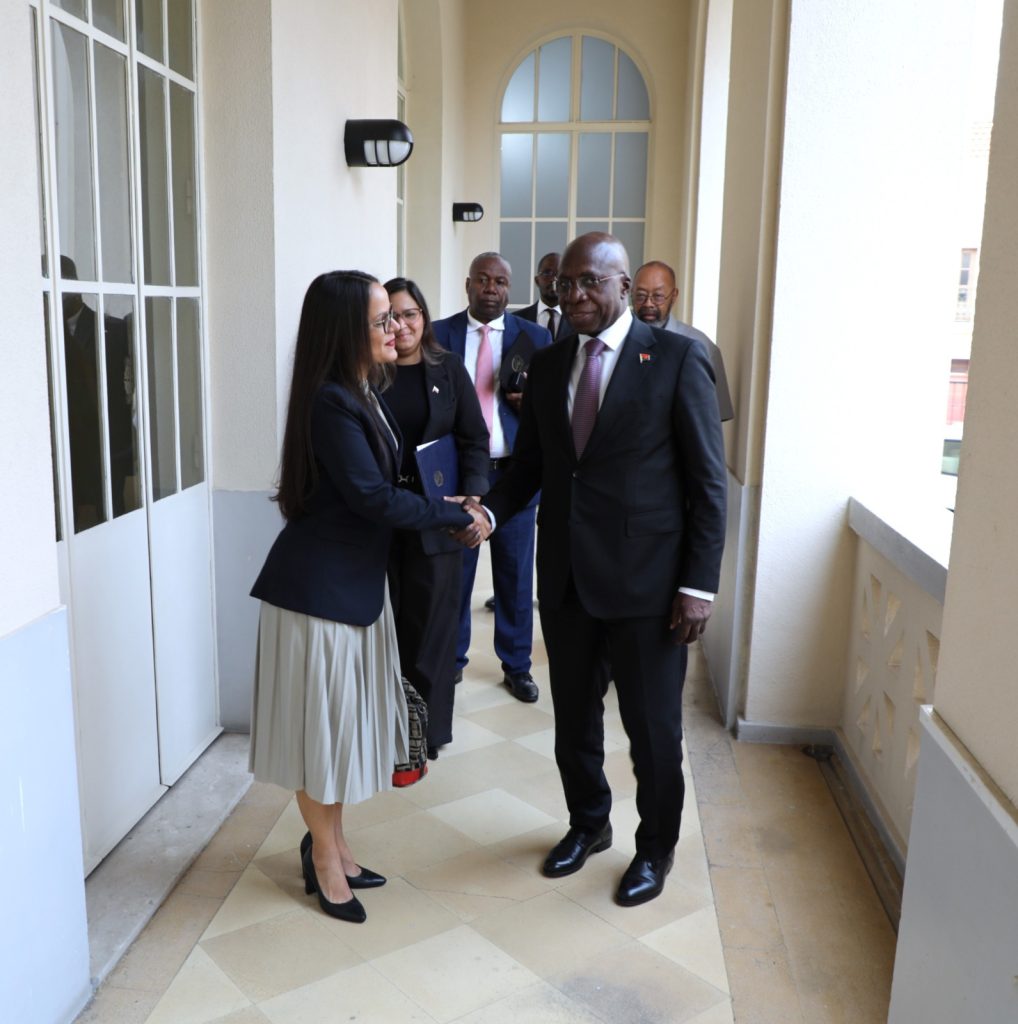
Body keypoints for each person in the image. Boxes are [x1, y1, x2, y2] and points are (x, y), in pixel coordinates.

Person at [464, 233, 727, 907]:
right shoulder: (550, 363)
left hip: (650, 589)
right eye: (566, 283)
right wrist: (489, 512)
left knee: (653, 733)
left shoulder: (676, 359)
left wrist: (698, 586)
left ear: (623, 285)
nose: (575, 294)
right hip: (568, 581)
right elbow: (532, 466)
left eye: (591, 282)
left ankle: (655, 847)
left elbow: (708, 483)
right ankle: (589, 824)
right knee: (573, 724)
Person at [248, 271, 481, 924]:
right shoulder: (332, 402)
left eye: (397, 317)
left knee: (340, 734)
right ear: (347, 329)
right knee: (319, 741)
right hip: (318, 596)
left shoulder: (361, 390)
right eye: (382, 319)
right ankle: (324, 861)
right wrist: (453, 513)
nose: (395, 328)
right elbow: (374, 498)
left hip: (353, 589)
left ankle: (336, 846)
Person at [432, 252, 552, 702]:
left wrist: (531, 403)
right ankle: (451, 661)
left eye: (500, 281)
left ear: (509, 288)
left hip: (514, 476)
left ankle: (517, 666)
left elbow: (555, 403)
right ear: (468, 285)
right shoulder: (438, 334)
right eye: (482, 279)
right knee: (455, 574)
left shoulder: (535, 337)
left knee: (516, 578)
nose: (491, 288)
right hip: (460, 477)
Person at [381, 277, 490, 759]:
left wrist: (473, 497)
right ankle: (385, 728)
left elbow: (474, 439)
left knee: (432, 633)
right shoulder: (369, 372)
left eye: (410, 314)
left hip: (438, 519)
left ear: (424, 318)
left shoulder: (448, 368)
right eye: (391, 316)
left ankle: (426, 733)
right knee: (387, 629)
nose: (401, 325)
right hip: (382, 519)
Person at [631, 260, 734, 421]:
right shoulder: (615, 341)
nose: (648, 303)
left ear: (674, 296)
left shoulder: (700, 346)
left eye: (658, 296)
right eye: (641, 296)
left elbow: (715, 418)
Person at [515, 251, 569, 339]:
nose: (553, 279)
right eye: (547, 273)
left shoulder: (578, 319)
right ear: (537, 281)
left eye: (559, 274)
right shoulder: (517, 319)